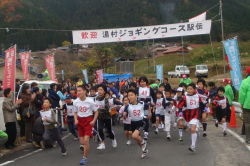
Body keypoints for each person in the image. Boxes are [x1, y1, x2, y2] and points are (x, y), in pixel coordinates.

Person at [73, 85, 99, 165]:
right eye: (77, 91)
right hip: (80, 121)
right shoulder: (75, 101)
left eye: (80, 90)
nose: (78, 92)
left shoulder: (90, 101)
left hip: (88, 121)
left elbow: (96, 111)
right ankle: (93, 132)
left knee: (86, 141)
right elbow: (75, 112)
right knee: (82, 142)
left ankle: (84, 158)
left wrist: (93, 121)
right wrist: (76, 119)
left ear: (85, 91)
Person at [123, 89, 150, 159]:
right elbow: (125, 112)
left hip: (141, 121)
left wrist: (150, 113)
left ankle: (144, 142)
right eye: (129, 95)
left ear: (136, 96)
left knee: (134, 136)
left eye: (132, 95)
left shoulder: (142, 103)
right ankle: (144, 151)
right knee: (138, 141)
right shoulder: (128, 106)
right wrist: (124, 115)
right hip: (133, 122)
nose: (130, 97)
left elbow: (148, 106)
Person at [178, 83, 204, 152]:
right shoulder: (185, 97)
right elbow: (180, 105)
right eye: (188, 89)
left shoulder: (198, 96)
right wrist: (180, 111)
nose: (189, 90)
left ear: (194, 89)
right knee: (191, 130)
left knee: (192, 129)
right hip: (187, 114)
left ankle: (193, 146)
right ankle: (197, 130)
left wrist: (205, 108)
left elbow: (201, 104)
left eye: (191, 89)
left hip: (195, 113)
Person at [95, 84, 117, 150]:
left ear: (104, 91)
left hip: (107, 117)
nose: (99, 91)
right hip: (100, 117)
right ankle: (102, 143)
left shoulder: (106, 99)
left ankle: (113, 139)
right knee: (99, 129)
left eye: (101, 90)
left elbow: (106, 109)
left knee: (109, 130)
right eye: (99, 89)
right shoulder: (96, 98)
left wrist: (97, 110)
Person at [239, 67, 250, 144]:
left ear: (247, 73)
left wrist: (241, 103)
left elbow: (242, 94)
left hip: (247, 104)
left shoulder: (245, 81)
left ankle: (248, 138)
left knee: (247, 122)